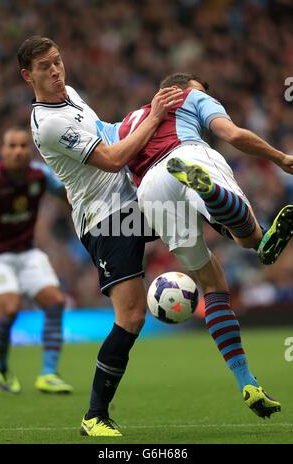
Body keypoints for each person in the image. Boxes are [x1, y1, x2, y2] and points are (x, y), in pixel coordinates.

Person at [17, 35, 182, 437]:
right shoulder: (49, 124)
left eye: (57, 62)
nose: (56, 71)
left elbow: (107, 132)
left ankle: (248, 234)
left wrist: (142, 113)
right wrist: (154, 117)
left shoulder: (70, 94)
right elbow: (111, 159)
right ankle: (94, 415)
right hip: (106, 219)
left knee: (185, 195)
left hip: (130, 198)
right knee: (131, 317)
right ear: (27, 76)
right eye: (45, 67)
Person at [103, 73, 293, 419]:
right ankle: (216, 198)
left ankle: (246, 382)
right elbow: (233, 135)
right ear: (185, 87)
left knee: (212, 285)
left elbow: (102, 155)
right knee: (250, 236)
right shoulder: (191, 96)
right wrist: (280, 158)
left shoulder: (126, 122)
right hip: (187, 156)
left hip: (151, 191)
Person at [0, 127, 73, 395]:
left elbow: (66, 193)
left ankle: (49, 374)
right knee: (10, 308)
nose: (18, 151)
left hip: (28, 252)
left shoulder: (39, 175)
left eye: (23, 146)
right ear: (3, 151)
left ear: (30, 150)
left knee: (56, 302)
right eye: (12, 146)